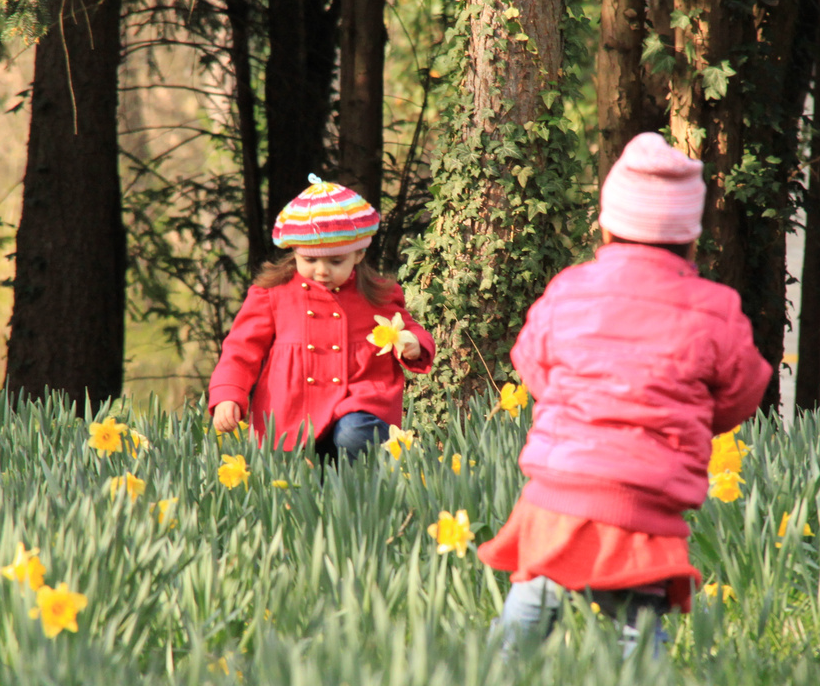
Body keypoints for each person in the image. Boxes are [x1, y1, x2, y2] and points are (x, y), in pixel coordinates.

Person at [477, 132, 772, 655]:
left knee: (535, 589)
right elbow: (743, 393)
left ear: (608, 224)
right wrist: (695, 417)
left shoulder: (569, 288)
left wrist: (571, 408)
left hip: (561, 480)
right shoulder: (715, 307)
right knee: (639, 617)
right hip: (645, 491)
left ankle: (496, 683)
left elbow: (531, 364)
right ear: (690, 238)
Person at [208, 175, 436, 459]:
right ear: (295, 253)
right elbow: (241, 349)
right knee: (299, 481)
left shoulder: (377, 293)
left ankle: (369, 491)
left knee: (353, 436)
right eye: (310, 260)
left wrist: (414, 343)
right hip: (292, 405)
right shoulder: (271, 293)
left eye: (335, 261)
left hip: (358, 402)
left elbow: (407, 326)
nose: (322, 271)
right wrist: (228, 393)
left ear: (359, 254)